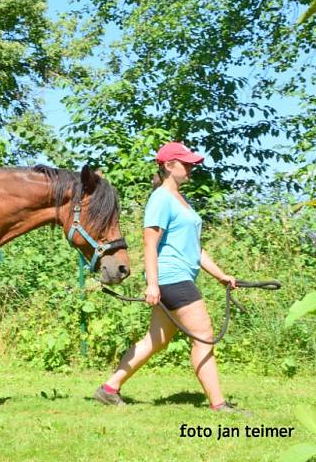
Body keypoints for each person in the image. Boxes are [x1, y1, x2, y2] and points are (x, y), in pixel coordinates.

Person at [93, 142, 246, 414]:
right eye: (185, 163)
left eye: (191, 163)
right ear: (168, 165)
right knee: (203, 336)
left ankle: (109, 389)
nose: (190, 168)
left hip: (177, 277)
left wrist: (221, 276)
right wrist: (153, 284)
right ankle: (219, 404)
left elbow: (194, 248)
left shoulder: (180, 200)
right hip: (172, 278)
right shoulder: (161, 199)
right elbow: (150, 244)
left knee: (156, 340)